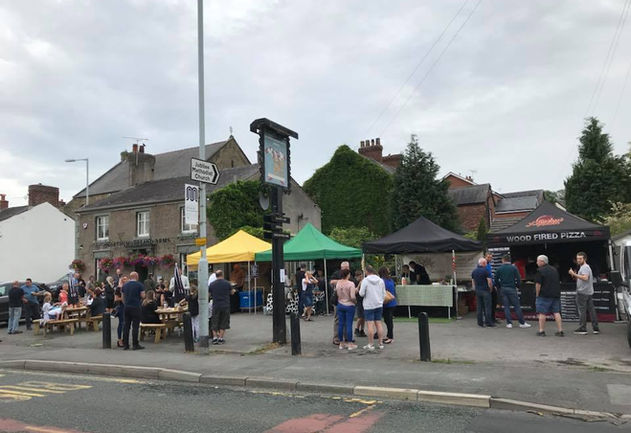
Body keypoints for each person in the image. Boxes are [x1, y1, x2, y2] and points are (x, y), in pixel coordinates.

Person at [495, 255, 531, 329]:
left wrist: (499, 287)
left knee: (506, 307)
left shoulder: (499, 268)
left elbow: (496, 279)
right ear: (509, 260)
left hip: (503, 288)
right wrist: (517, 286)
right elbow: (518, 278)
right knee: (517, 306)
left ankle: (509, 323)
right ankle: (522, 323)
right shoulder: (514, 268)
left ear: (503, 260)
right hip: (512, 288)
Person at [569, 252, 600, 335]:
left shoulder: (584, 267)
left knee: (582, 311)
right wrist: (575, 275)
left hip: (582, 292)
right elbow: (584, 278)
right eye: (577, 258)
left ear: (585, 259)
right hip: (588, 291)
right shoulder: (585, 267)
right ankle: (595, 327)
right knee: (591, 310)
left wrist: (573, 274)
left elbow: (585, 278)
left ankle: (583, 328)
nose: (578, 260)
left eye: (580, 259)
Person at [535, 255, 564, 337]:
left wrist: (537, 294)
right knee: (556, 312)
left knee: (542, 313)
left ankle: (541, 331)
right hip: (555, 294)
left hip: (544, 295)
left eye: (538, 261)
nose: (537, 263)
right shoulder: (554, 269)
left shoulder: (540, 270)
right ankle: (560, 330)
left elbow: (538, 284)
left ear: (542, 262)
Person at [359, 265, 386, 351]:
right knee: (378, 323)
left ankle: (371, 344)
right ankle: (380, 343)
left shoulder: (365, 281)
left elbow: (361, 293)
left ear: (367, 271)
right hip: (379, 304)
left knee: (370, 325)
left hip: (369, 305)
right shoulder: (380, 280)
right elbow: (384, 293)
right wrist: (380, 300)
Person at [330, 261, 354, 345]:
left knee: (348, 321)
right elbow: (331, 282)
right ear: (341, 268)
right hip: (338, 301)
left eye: (348, 267)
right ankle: (336, 338)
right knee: (338, 320)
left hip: (348, 301)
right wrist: (342, 281)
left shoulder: (350, 276)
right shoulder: (337, 274)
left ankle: (347, 337)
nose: (347, 269)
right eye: (345, 268)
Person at [122, 272, 145, 350]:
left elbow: (123, 297)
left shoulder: (125, 285)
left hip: (127, 307)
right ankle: (135, 344)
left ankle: (125, 344)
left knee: (126, 326)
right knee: (135, 326)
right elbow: (143, 296)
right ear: (136, 276)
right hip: (136, 306)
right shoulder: (140, 285)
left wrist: (125, 303)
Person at [335, 269, 357, 350]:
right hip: (349, 305)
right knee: (349, 324)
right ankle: (350, 343)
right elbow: (352, 296)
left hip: (340, 304)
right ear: (348, 275)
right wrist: (355, 302)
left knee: (341, 324)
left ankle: (341, 343)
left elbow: (337, 294)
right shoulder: (351, 284)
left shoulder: (338, 283)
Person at [209, 270, 232, 345]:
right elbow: (231, 292)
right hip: (225, 305)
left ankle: (215, 338)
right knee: (224, 322)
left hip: (216, 305)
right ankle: (221, 338)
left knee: (214, 321)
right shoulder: (227, 283)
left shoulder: (212, 284)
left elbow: (209, 294)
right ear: (222, 275)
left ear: (216, 276)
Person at [472, 258, 494, 328]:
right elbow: (489, 281)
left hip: (478, 291)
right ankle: (488, 322)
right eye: (486, 263)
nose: (486, 264)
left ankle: (480, 322)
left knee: (479, 307)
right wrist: (491, 289)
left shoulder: (474, 271)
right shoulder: (486, 271)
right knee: (487, 307)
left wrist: (475, 289)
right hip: (485, 290)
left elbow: (473, 281)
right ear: (484, 263)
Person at [379, 267, 397, 344]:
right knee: (388, 320)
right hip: (392, 301)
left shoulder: (382, 281)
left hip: (387, 302)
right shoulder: (390, 280)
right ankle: (389, 335)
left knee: (388, 320)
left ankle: (390, 337)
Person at [485, 252, 498, 323]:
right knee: (488, 303)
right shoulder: (483, 264)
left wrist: (494, 285)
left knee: (494, 302)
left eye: (491, 257)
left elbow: (491, 276)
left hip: (492, 285)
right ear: (485, 257)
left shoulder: (489, 265)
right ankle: (489, 319)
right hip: (487, 286)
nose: (490, 259)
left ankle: (493, 318)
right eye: (488, 257)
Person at [353, 270, 366, 337]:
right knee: (360, 316)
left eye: (361, 276)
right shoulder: (355, 282)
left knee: (363, 316)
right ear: (356, 276)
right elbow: (355, 291)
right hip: (359, 300)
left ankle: (362, 330)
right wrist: (359, 284)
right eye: (359, 276)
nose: (361, 277)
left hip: (364, 300)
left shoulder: (364, 281)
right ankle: (357, 329)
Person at [114, 278, 126, 348]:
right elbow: (116, 299)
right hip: (121, 307)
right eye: (124, 281)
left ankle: (124, 339)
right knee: (121, 323)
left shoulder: (126, 288)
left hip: (126, 307)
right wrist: (124, 298)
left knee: (126, 324)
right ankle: (119, 340)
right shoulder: (118, 289)